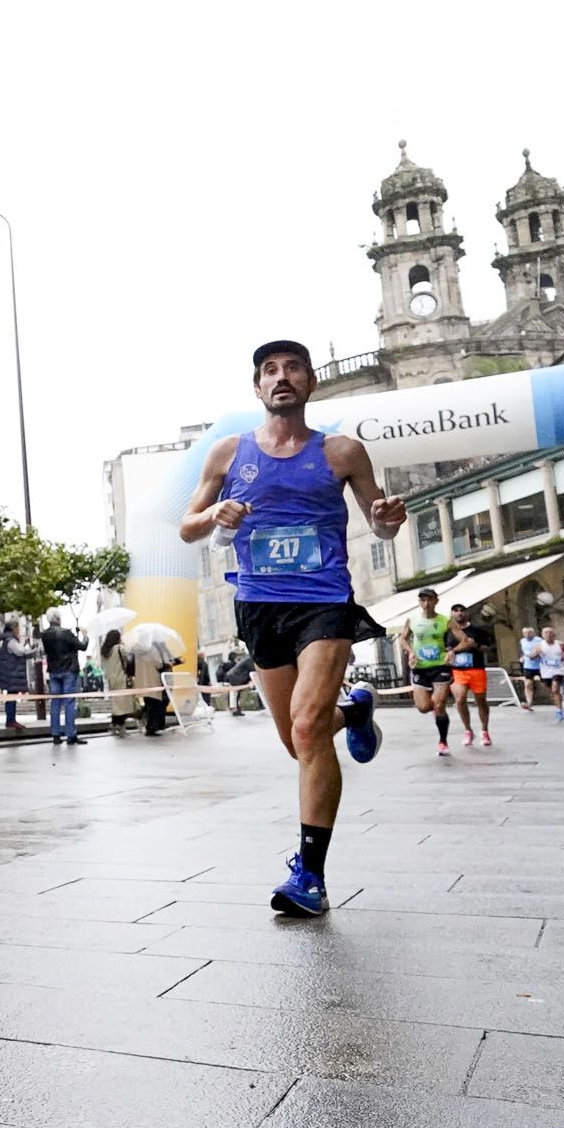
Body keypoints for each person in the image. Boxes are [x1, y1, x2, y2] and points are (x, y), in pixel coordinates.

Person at [180, 338, 406, 915]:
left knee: (307, 730)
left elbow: (380, 527)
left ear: (310, 383)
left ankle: (310, 875)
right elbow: (187, 527)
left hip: (323, 602)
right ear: (257, 388)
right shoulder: (228, 453)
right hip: (259, 606)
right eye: (270, 371)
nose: (282, 377)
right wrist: (214, 513)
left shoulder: (342, 452)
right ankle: (353, 712)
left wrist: (386, 520)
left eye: (293, 369)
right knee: (295, 739)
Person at [397, 587, 456, 757]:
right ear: (419, 602)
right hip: (420, 668)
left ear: (436, 601)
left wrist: (453, 651)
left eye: (429, 600)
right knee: (423, 707)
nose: (426, 603)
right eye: (422, 600)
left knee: (438, 704)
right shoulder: (412, 620)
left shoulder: (445, 620)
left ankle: (443, 741)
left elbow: (463, 640)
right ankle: (439, 711)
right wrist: (411, 652)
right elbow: (402, 638)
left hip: (440, 666)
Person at [448, 603, 493, 748]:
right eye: (456, 611)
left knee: (481, 701)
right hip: (458, 671)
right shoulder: (447, 632)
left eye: (462, 610)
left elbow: (487, 648)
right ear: (452, 614)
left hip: (476, 669)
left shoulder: (477, 630)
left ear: (466, 613)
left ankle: (484, 731)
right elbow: (444, 648)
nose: (459, 613)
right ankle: (468, 730)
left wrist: (476, 646)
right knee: (460, 698)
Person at [39, 614, 89, 746]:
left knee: (55, 702)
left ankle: (55, 734)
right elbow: (82, 646)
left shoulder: (45, 635)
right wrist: (84, 635)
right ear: (57, 619)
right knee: (69, 702)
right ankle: (71, 734)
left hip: (54, 671)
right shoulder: (66, 633)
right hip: (68, 670)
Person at [0, 618, 32, 730]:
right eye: (18, 628)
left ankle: (11, 720)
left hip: (9, 673)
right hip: (12, 674)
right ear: (14, 629)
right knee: (12, 697)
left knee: (12, 696)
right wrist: (30, 650)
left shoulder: (7, 640)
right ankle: (11, 720)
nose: (18, 630)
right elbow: (20, 652)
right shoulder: (11, 641)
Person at [535, 630, 564, 720]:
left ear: (554, 635)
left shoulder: (560, 644)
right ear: (543, 635)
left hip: (558, 669)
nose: (549, 635)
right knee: (553, 691)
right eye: (546, 633)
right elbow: (532, 656)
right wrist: (535, 654)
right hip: (546, 671)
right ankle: (559, 704)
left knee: (555, 688)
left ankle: (559, 711)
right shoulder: (540, 645)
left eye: (550, 633)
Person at [514, 627, 542, 712]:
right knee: (528, 684)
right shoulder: (522, 641)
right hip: (528, 666)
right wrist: (524, 657)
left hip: (540, 665)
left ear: (533, 633)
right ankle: (529, 703)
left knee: (547, 684)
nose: (527, 634)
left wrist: (534, 655)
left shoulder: (539, 640)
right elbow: (526, 651)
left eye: (529, 632)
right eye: (525, 633)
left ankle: (558, 699)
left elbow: (541, 650)